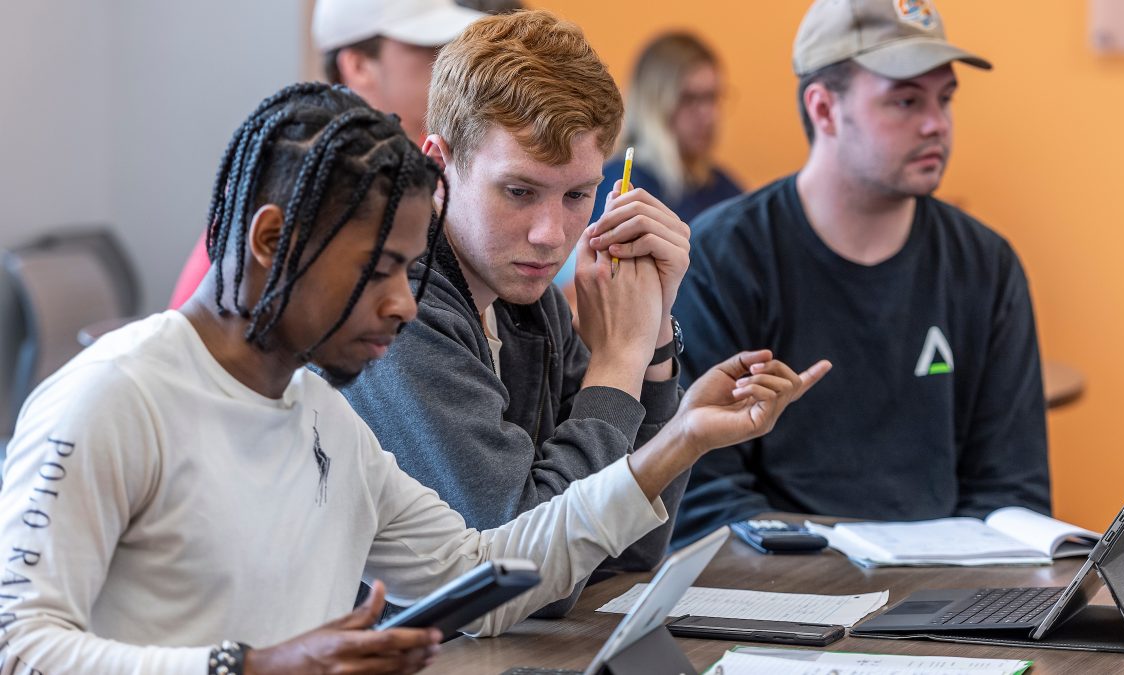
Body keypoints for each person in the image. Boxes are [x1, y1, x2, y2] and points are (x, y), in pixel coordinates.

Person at [0, 82, 829, 674]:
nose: (402, 304)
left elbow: (485, 572)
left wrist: (677, 437)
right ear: (267, 239)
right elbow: (18, 643)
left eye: (408, 269)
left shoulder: (318, 410)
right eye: (379, 270)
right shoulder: (113, 394)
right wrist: (251, 665)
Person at [338, 10, 692, 614]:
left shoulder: (532, 303)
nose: (551, 236)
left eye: (578, 194)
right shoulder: (400, 309)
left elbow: (631, 547)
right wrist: (617, 360)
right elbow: (524, 581)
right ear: (438, 167)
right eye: (519, 192)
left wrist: (654, 340)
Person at [672, 0, 1050, 546]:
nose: (936, 124)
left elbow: (1012, 493)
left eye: (944, 100)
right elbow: (703, 496)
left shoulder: (987, 265)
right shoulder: (722, 258)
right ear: (824, 110)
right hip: (776, 595)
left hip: (947, 597)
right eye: (905, 100)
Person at [167, 0, 486, 310]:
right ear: (358, 65)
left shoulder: (423, 160)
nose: (446, 63)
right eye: (429, 50)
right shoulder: (304, 167)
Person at [554, 31, 742, 293]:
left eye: (712, 97)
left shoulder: (723, 186)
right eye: (689, 98)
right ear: (654, 101)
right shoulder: (621, 183)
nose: (707, 114)